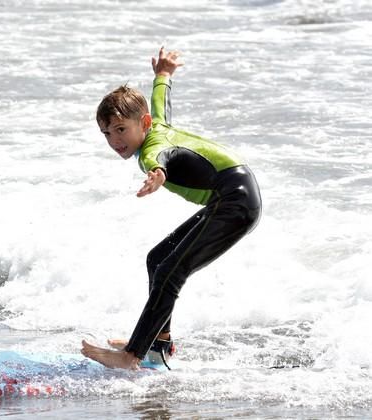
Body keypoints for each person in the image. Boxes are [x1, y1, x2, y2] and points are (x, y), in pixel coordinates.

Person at [81, 47, 262, 370]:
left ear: (142, 124)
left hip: (235, 201)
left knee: (171, 270)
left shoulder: (154, 147)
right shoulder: (156, 125)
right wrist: (163, 74)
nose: (114, 140)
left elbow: (160, 159)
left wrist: (157, 175)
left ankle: (131, 355)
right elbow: (160, 104)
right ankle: (158, 341)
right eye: (107, 133)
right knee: (158, 259)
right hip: (231, 197)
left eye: (121, 130)